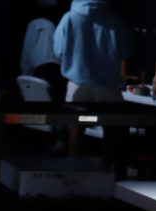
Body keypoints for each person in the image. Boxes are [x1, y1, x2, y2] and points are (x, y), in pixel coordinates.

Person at [53, 0, 132, 157]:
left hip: (77, 82)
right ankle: (107, 168)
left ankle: (74, 168)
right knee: (110, 130)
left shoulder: (69, 18)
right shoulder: (114, 19)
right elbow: (126, 51)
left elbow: (58, 51)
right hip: (107, 83)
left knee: (76, 128)